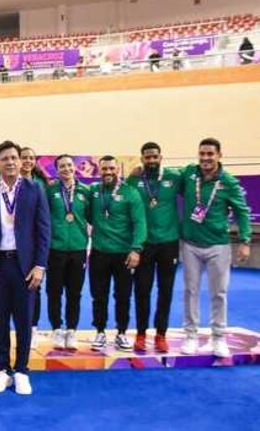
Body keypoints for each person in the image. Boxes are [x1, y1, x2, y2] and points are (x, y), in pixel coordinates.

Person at [0, 140, 50, 396]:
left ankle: (22, 371)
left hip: (24, 266)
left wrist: (40, 265)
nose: (10, 162)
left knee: (24, 320)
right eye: (4, 158)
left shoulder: (34, 189)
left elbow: (43, 230)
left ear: (21, 161)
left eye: (14, 158)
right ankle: (2, 370)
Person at [179, 138, 251, 358]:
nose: (205, 158)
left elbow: (242, 211)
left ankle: (218, 336)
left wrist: (244, 241)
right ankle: (190, 335)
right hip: (190, 245)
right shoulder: (189, 174)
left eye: (210, 154)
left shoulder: (228, 182)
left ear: (219, 155)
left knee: (218, 293)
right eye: (202, 154)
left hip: (218, 246)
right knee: (190, 291)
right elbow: (168, 179)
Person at [126, 142, 182, 353]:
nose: (151, 161)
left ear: (160, 157)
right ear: (141, 159)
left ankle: (161, 334)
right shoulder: (134, 180)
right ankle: (141, 333)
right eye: (147, 157)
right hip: (144, 244)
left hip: (169, 242)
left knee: (165, 290)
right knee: (142, 290)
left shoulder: (174, 177)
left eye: (154, 157)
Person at [87, 156, 146, 352]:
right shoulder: (94, 191)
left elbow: (139, 223)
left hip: (123, 255)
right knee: (99, 295)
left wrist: (136, 249)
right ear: (99, 171)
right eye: (104, 169)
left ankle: (121, 333)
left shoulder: (131, 193)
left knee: (123, 296)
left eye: (112, 168)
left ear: (117, 170)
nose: (108, 172)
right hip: (99, 253)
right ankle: (100, 332)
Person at [45, 155, 89, 350]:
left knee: (75, 292)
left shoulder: (86, 191)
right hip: (55, 248)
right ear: (56, 170)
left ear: (75, 168)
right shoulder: (50, 191)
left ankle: (71, 329)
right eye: (62, 166)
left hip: (78, 249)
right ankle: (56, 328)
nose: (66, 168)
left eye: (69, 165)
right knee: (54, 291)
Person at [19, 146, 51, 348]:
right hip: (14, 245)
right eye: (24, 157)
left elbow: (44, 219)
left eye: (31, 158)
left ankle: (33, 328)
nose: (28, 161)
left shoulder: (41, 185)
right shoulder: (8, 182)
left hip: (34, 244)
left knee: (34, 288)